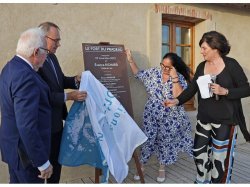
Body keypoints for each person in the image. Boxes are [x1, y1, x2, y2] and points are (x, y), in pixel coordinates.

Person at [164, 31, 250, 183]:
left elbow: (246, 88)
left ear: (215, 47)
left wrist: (226, 91)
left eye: (204, 48)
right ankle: (202, 181)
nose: (201, 51)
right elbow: (192, 88)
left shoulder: (231, 65)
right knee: (199, 153)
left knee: (219, 159)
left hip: (226, 121)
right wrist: (177, 100)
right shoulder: (202, 66)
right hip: (204, 119)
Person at [125, 49, 193, 183]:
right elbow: (138, 74)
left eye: (168, 67)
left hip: (171, 115)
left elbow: (179, 96)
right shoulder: (154, 72)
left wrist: (174, 77)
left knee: (165, 140)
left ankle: (162, 168)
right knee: (148, 138)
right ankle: (142, 166)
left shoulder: (179, 77)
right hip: (152, 112)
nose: (164, 68)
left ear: (174, 67)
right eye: (163, 65)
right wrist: (130, 60)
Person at [0, 28, 53, 183]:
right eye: (46, 52)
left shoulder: (10, 67)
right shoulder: (25, 76)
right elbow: (27, 125)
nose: (46, 56)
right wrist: (42, 162)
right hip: (26, 156)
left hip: (14, 150)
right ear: (36, 52)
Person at [38, 22, 87, 183]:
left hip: (58, 124)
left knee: (56, 168)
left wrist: (75, 80)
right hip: (43, 126)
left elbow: (60, 81)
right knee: (41, 172)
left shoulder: (52, 57)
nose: (59, 44)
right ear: (44, 38)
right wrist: (69, 96)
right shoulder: (35, 60)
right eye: (56, 40)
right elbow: (42, 95)